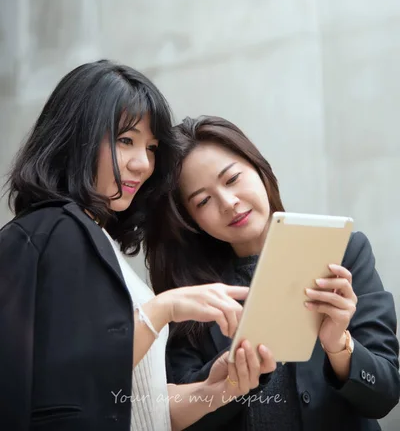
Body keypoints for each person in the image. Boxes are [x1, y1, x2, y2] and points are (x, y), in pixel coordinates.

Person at [0, 62, 276, 431]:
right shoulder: (56, 229)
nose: (143, 163)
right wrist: (163, 309)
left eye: (151, 147)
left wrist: (218, 389)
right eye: (125, 140)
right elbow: (71, 378)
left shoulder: (94, 237)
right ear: (75, 135)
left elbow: (143, 409)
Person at [146, 115, 400, 431]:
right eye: (203, 200)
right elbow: (180, 417)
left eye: (232, 179)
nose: (228, 203)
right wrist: (230, 377)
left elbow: (385, 395)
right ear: (191, 220)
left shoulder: (342, 252)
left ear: (258, 168)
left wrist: (338, 345)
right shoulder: (188, 295)